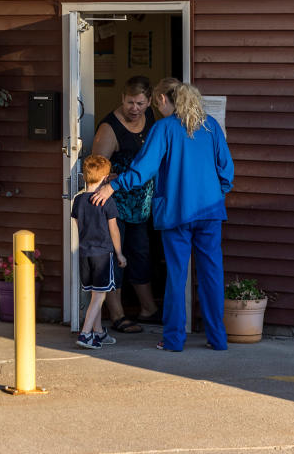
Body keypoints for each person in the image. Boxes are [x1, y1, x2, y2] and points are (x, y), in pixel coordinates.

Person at [91, 78, 234, 352]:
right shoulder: (210, 126)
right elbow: (226, 172)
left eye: (156, 102)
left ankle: (173, 340)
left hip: (176, 214)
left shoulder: (164, 128)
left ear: (165, 101)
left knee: (177, 277)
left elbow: (142, 170)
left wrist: (112, 186)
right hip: (210, 213)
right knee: (212, 276)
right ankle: (218, 339)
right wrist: (213, 193)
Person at [91, 76, 161, 334]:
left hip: (141, 206)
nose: (135, 108)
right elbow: (96, 168)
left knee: (141, 254)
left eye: (140, 103)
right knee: (115, 256)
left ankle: (148, 309)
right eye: (130, 102)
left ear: (150, 101)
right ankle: (117, 314)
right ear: (122, 98)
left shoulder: (151, 117)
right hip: (114, 203)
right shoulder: (109, 128)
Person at [72, 154, 127, 349]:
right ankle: (86, 333)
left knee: (94, 294)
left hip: (85, 254)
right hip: (102, 255)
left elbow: (79, 227)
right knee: (99, 296)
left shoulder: (78, 201)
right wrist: (119, 254)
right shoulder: (107, 201)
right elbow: (114, 230)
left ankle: (98, 333)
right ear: (106, 179)